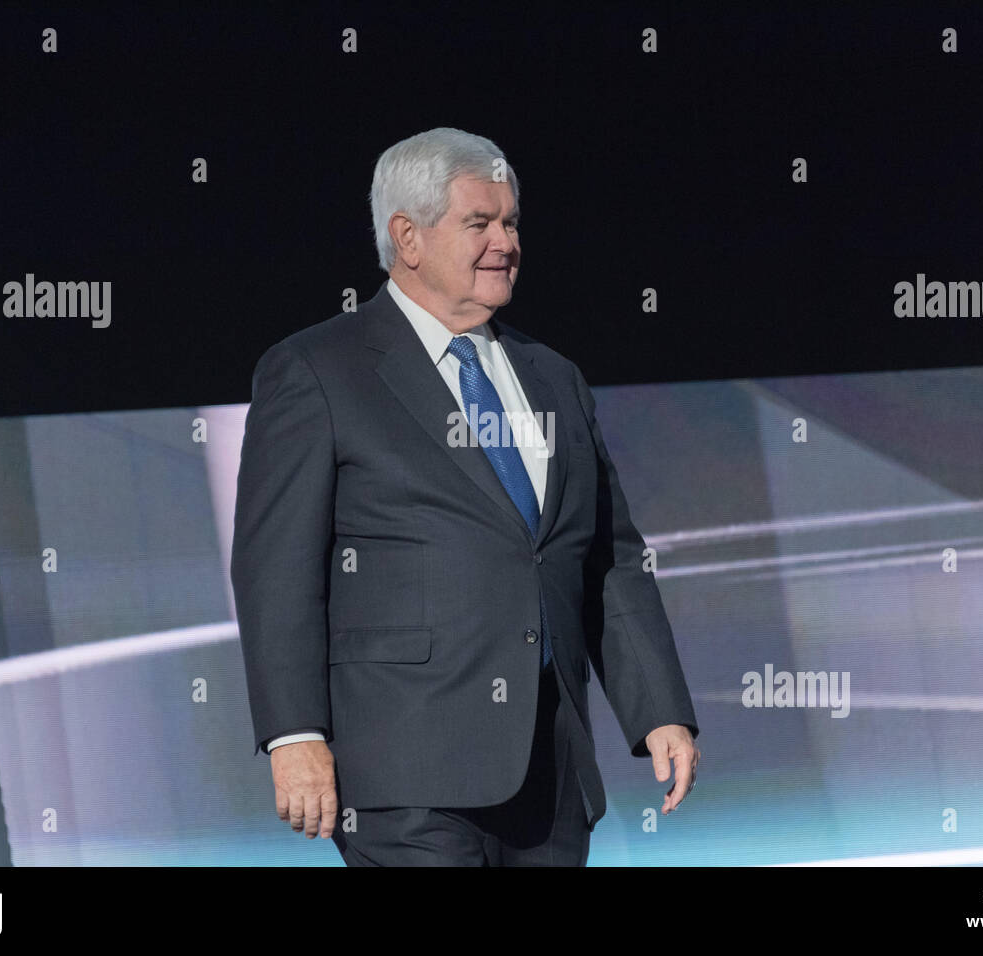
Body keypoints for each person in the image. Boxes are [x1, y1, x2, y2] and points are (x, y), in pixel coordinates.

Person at [231, 127, 699, 865]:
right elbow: (276, 571)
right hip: (404, 776)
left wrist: (660, 709)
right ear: (407, 239)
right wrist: (295, 735)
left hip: (550, 777)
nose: (504, 242)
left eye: (510, 222)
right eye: (478, 223)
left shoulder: (554, 376)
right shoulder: (318, 371)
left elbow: (607, 557)